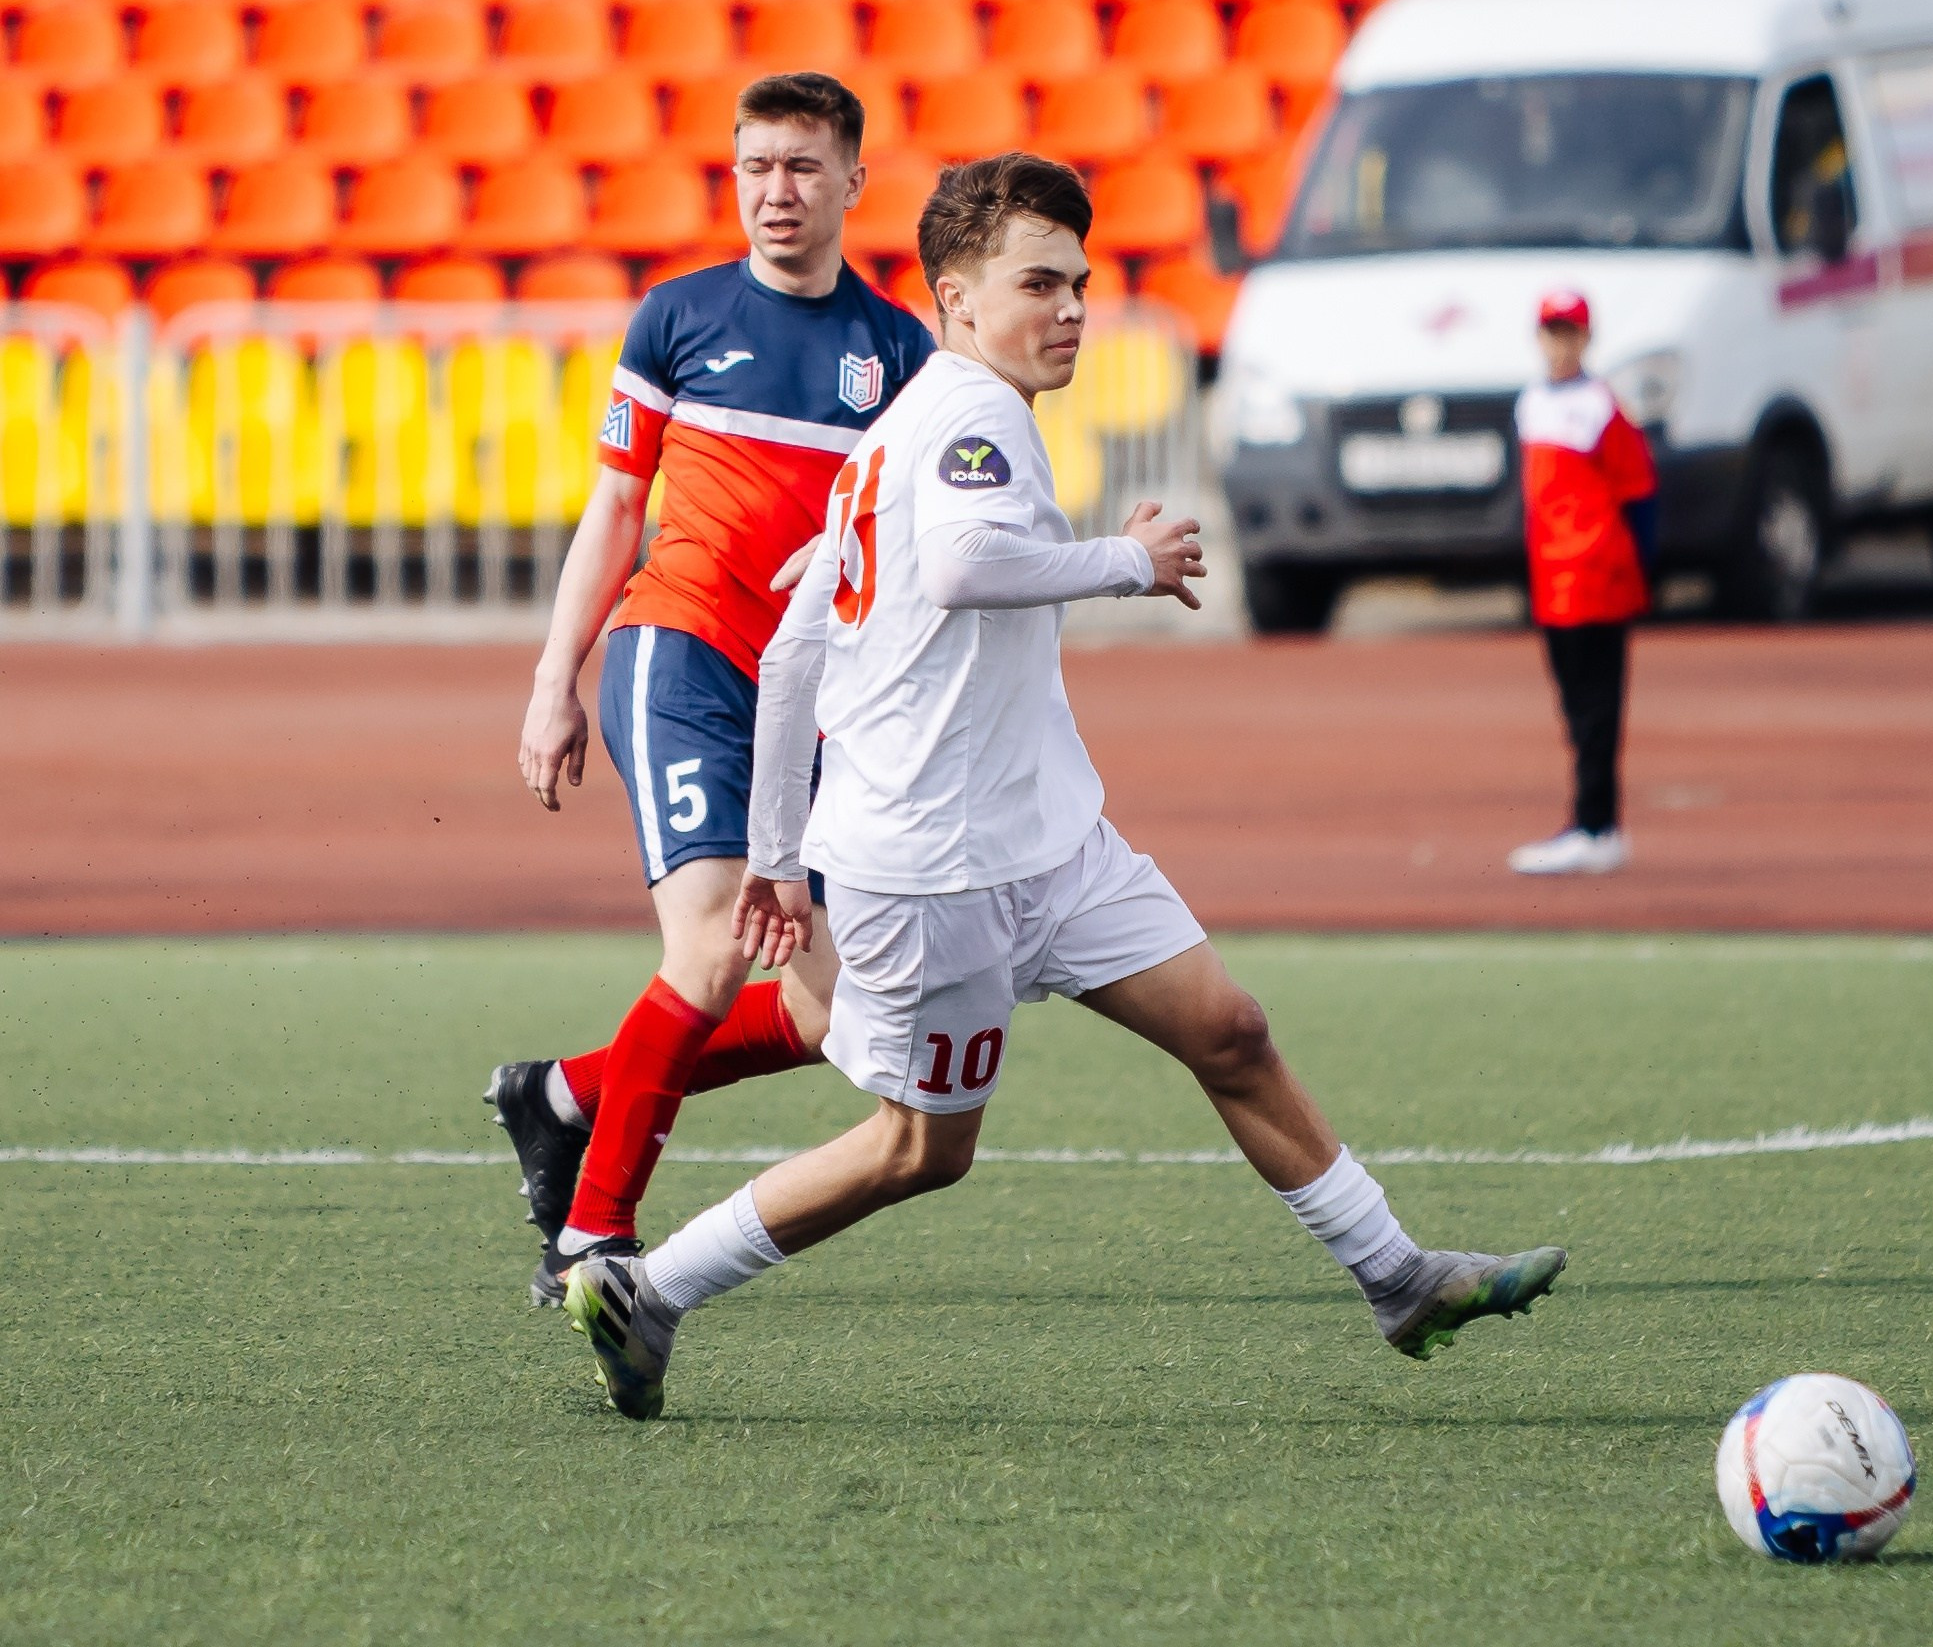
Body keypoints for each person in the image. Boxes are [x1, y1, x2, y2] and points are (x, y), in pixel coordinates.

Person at [562, 152, 1565, 1420]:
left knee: (1229, 1031)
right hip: (936, 871)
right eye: (1039, 283)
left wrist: (774, 851)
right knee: (920, 1148)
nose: (1073, 307)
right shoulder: (968, 417)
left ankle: (1397, 1277)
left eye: (1080, 283)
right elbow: (964, 565)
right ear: (955, 300)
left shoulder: (902, 431)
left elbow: (802, 641)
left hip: (1048, 843)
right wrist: (1125, 561)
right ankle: (649, 1291)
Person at [492, 72, 937, 1307]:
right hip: (680, 653)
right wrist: (553, 677)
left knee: (827, 1012)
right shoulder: (677, 317)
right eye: (754, 166)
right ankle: (591, 1241)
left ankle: (565, 1095)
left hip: (812, 700)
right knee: (711, 944)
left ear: (852, 180)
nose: (774, 191)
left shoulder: (900, 352)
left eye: (801, 165)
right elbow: (615, 507)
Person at [1506, 290, 1658, 877]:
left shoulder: (1602, 407)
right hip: (1552, 579)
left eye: (1570, 332)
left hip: (1597, 574)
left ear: (1587, 339)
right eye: (1552, 332)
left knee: (1597, 708)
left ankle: (1597, 826)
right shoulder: (1531, 403)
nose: (1560, 344)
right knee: (1574, 705)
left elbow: (1638, 490)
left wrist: (1638, 568)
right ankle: (1591, 823)